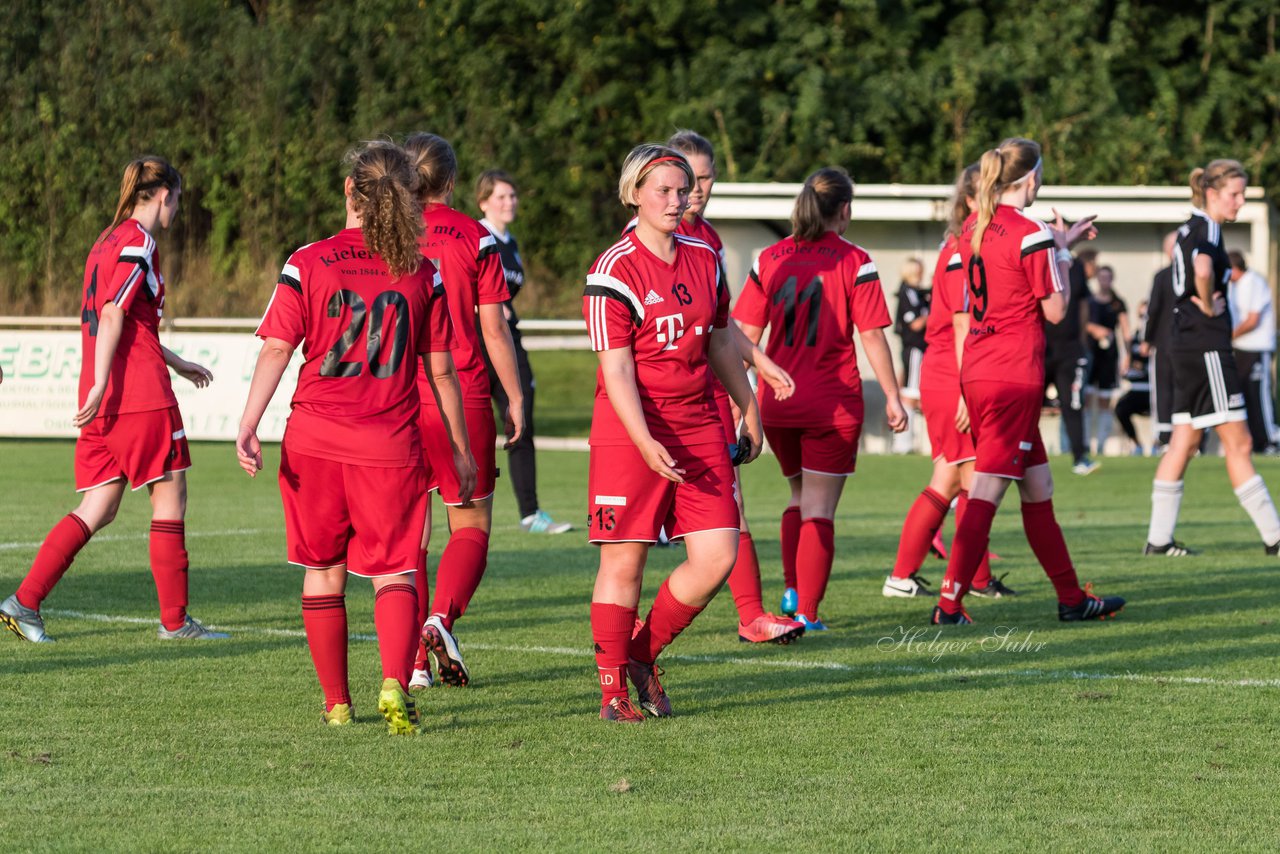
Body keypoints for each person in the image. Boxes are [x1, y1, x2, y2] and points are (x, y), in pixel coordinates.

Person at [237, 140, 468, 734]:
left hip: (314, 440)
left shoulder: (308, 260)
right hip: (389, 445)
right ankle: (395, 681)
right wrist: (463, 452)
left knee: (323, 570)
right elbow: (441, 371)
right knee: (395, 572)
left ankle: (337, 702)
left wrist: (248, 423)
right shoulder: (423, 271)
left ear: (349, 190)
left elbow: (277, 349)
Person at [0, 156, 225, 644]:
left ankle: (25, 601)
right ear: (164, 194)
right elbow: (113, 312)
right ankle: (175, 623)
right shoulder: (140, 242)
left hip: (106, 400)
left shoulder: (105, 240)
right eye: (178, 201)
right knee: (170, 500)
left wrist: (176, 362)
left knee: (98, 506)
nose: (177, 212)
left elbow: (130, 323)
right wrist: (106, 381)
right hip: (136, 396)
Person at [585, 143, 763, 723]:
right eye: (662, 190)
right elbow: (615, 371)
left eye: (681, 190)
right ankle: (612, 689)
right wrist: (642, 442)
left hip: (697, 423)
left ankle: (640, 654)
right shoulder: (613, 268)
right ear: (634, 192)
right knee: (625, 563)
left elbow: (718, 342)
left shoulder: (705, 257)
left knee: (717, 555)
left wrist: (748, 406)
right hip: (630, 427)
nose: (675, 200)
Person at [930, 137, 1124, 625]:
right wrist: (1062, 253)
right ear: (1031, 178)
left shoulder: (975, 224)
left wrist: (1055, 246)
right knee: (989, 489)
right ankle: (948, 605)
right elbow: (1056, 311)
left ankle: (1071, 598)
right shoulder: (1028, 229)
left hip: (980, 368)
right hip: (1013, 373)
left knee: (1038, 484)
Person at [734, 167, 909, 631]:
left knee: (797, 495)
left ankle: (791, 591)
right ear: (845, 210)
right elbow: (872, 337)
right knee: (819, 508)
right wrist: (893, 397)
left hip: (779, 402)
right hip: (832, 404)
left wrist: (736, 403)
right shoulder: (855, 260)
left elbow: (745, 338)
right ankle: (807, 613)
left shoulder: (769, 257)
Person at [662, 129, 802, 644]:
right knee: (639, 529)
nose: (696, 189)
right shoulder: (653, 238)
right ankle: (624, 628)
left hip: (706, 392)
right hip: (661, 399)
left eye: (705, 177)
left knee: (731, 501)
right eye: (688, 179)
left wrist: (756, 365)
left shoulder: (710, 239)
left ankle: (752, 614)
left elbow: (722, 327)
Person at [403, 133, 526, 691]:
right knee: (470, 527)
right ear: (452, 182)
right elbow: (494, 327)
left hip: (398, 399)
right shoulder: (478, 239)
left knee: (412, 537)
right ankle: (439, 620)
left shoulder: (388, 234)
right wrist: (516, 395)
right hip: (463, 392)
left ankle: (410, 662)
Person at [885, 164, 1012, 600]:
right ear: (975, 200)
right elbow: (961, 323)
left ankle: (915, 578)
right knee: (969, 481)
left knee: (956, 478)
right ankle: (958, 581)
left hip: (953, 372)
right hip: (952, 373)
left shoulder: (968, 243)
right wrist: (964, 388)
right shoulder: (961, 248)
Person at [1144, 160, 1280, 557]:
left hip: (1184, 348)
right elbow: (1202, 269)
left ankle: (1158, 540)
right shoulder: (1207, 229)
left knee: (1183, 443)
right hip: (1205, 348)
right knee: (1240, 444)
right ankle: (1275, 537)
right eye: (1234, 194)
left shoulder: (1189, 227)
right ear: (1212, 193)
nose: (1240, 201)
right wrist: (1206, 304)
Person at [475, 169, 573, 534]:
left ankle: (530, 514)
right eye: (501, 197)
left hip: (509, 339)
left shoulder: (509, 242)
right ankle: (455, 505)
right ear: (483, 202)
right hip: (477, 341)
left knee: (520, 422)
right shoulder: (477, 236)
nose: (509, 202)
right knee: (468, 426)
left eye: (512, 196)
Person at [1044, 247, 1097, 474]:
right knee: (1027, 405)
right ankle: (1016, 456)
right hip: (1042, 348)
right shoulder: (1039, 261)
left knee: (1073, 404)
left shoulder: (1075, 268)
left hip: (1070, 350)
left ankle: (1079, 458)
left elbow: (1083, 305)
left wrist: (1082, 340)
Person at [1228, 250, 1278, 454]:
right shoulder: (1235, 286)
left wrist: (1229, 335)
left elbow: (1252, 319)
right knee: (1244, 395)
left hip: (1257, 347)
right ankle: (1256, 441)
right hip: (1241, 348)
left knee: (1259, 394)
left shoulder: (1253, 282)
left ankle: (1270, 440)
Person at [1084, 266, 1131, 455]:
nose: (1104, 281)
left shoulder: (1118, 303)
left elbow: (1126, 330)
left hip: (1108, 358)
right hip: (1089, 354)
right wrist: (1094, 329)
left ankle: (1101, 445)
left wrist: (1127, 356)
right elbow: (1081, 322)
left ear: (1112, 280)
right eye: (1101, 277)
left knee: (1105, 400)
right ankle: (1086, 443)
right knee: (1087, 399)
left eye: (1107, 278)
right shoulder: (1088, 301)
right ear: (1097, 279)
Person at [1144, 232, 1179, 451]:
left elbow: (1152, 310)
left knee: (1165, 389)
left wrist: (1147, 340)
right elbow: (1153, 309)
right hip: (1182, 342)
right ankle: (1183, 439)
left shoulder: (1164, 275)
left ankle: (1169, 438)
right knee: (1178, 389)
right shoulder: (1195, 274)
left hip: (1168, 343)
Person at [893, 257, 929, 453]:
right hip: (914, 350)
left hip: (919, 350)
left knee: (912, 393)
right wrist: (935, 314)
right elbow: (915, 324)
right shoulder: (907, 293)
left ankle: (905, 443)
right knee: (910, 395)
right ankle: (902, 444)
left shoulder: (918, 294)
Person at [1114, 300, 1153, 454]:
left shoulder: (1160, 339)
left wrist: (1142, 367)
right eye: (1141, 316)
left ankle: (1160, 443)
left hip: (1155, 391)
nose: (1144, 319)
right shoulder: (1132, 341)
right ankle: (1137, 444)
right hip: (1137, 390)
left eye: (1147, 316)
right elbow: (1125, 372)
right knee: (1121, 408)